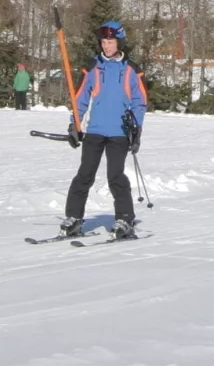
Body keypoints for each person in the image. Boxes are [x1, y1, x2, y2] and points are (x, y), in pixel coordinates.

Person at [60, 21, 148, 239]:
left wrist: (136, 129)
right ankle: (74, 218)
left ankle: (124, 219)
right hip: (95, 131)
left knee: (115, 176)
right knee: (84, 175)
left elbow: (140, 102)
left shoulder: (131, 71)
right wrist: (75, 125)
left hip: (119, 133)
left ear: (119, 42)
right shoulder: (92, 68)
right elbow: (79, 98)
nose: (106, 45)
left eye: (110, 41)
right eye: (103, 41)